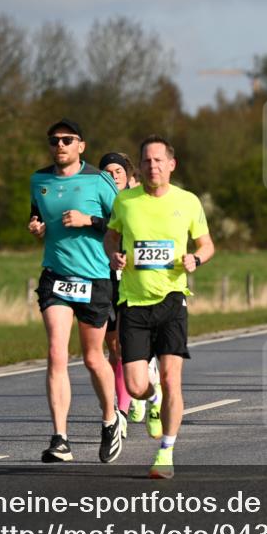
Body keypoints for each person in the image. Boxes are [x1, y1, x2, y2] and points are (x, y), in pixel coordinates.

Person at [103, 134, 214, 479]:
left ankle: (166, 452)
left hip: (172, 300)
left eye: (158, 160)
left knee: (171, 378)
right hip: (133, 302)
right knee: (136, 385)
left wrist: (195, 259)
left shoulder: (188, 201)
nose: (153, 166)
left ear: (171, 164)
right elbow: (111, 236)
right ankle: (152, 400)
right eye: (147, 160)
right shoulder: (126, 201)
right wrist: (114, 255)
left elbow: (207, 245)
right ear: (142, 165)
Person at [28, 119, 120, 463]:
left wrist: (88, 221)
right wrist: (35, 225)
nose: (60, 145)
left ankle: (110, 419)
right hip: (56, 276)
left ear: (81, 145)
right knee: (56, 352)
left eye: (67, 140)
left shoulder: (99, 181)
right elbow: (37, 213)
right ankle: (60, 438)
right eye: (54, 141)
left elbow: (122, 223)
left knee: (94, 358)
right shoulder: (39, 181)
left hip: (95, 278)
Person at [99, 152, 160, 428]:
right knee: (114, 347)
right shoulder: (97, 203)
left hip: (138, 283)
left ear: (128, 177)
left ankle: (127, 407)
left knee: (128, 346)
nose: (112, 177)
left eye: (118, 172)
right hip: (106, 279)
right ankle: (130, 395)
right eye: (107, 172)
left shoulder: (138, 203)